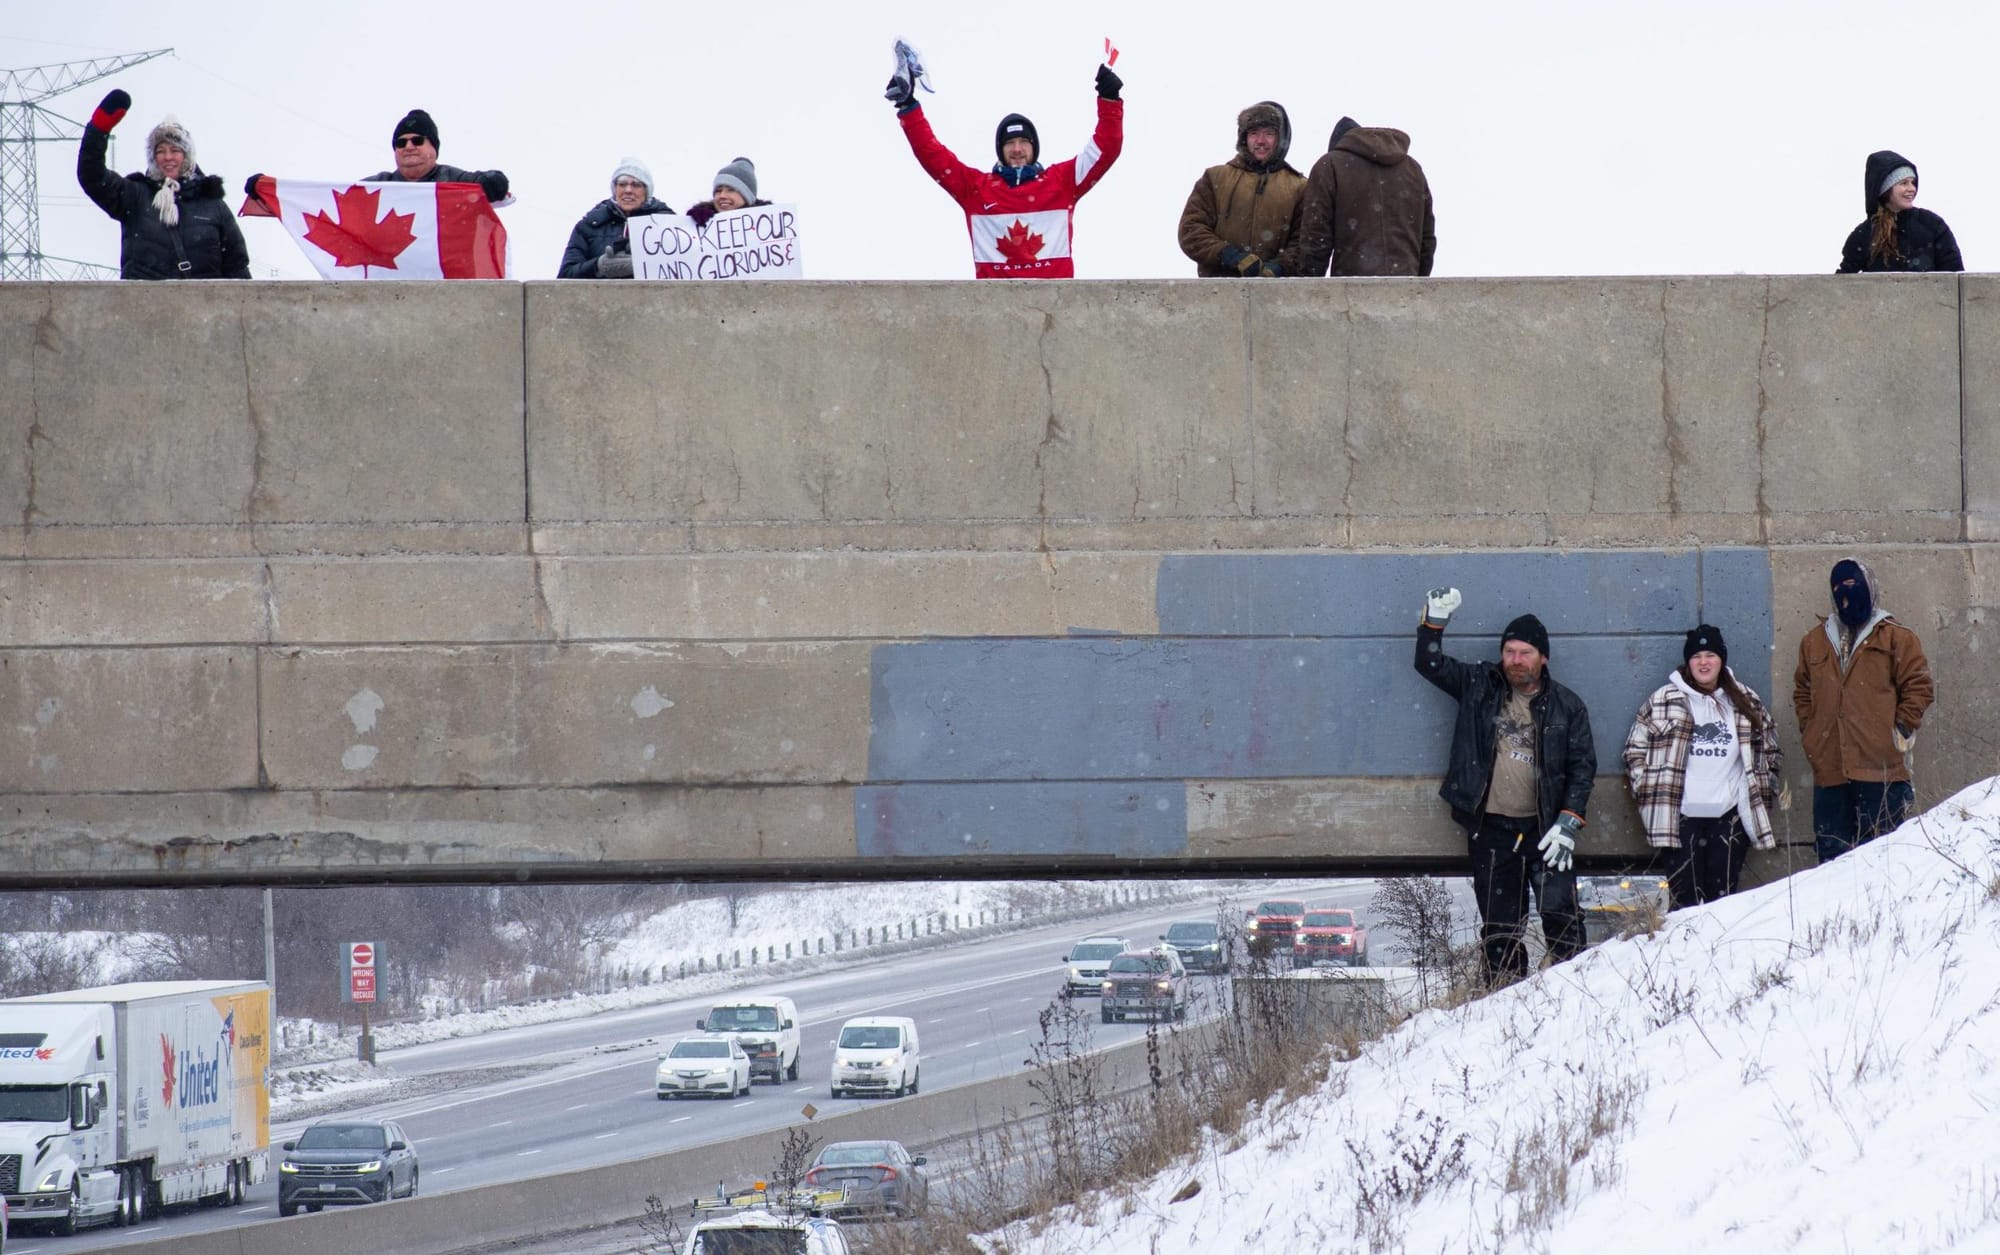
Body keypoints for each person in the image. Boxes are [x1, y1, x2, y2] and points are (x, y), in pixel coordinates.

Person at [1414, 588, 1594, 984]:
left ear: (1542, 658)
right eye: (1509, 651)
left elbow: (1583, 767)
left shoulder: (1567, 706)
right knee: (1500, 930)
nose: (1515, 660)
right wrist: (1433, 624)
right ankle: (1502, 1007)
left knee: (1563, 920)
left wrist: (1569, 821)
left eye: (1524, 652)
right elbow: (1429, 665)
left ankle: (1577, 999)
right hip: (1491, 832)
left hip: (1546, 831)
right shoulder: (1479, 685)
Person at [886, 59, 1123, 278]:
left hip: (1055, 312)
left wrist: (1109, 100)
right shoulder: (975, 189)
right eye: (1009, 143)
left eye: (1024, 142)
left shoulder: (1061, 182)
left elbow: (1105, 149)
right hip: (996, 312)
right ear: (1001, 150)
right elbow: (932, 154)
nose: (1017, 149)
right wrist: (907, 106)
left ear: (1034, 148)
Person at [1623, 626, 1783, 908]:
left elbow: (1770, 749)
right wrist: (1647, 788)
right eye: (1697, 656)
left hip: (1728, 817)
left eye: (1711, 655)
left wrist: (1762, 787)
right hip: (1680, 818)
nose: (1704, 662)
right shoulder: (1663, 700)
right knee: (1684, 902)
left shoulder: (1745, 700)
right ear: (1688, 662)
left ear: (1721, 660)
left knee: (1722, 900)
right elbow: (1634, 751)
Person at [1794, 558, 1934, 862]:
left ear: (1869, 587)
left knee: (1882, 861)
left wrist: (1900, 731)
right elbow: (1802, 690)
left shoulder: (1897, 637)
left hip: (1881, 773)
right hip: (1830, 774)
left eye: (1852, 584)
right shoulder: (1814, 642)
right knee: (1831, 862)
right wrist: (1812, 732)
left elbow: (1919, 687)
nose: (1845, 593)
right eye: (1838, 587)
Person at [75, 90, 250, 281]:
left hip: (203, 306)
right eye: (160, 151)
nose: (168, 157)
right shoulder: (134, 195)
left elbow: (237, 264)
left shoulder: (213, 204)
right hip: (143, 305)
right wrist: (98, 130)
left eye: (175, 150)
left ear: (187, 156)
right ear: (153, 157)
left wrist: (246, 307)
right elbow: (92, 176)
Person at [1279, 118, 1435, 277]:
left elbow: (1316, 238)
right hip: (1406, 289)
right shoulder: (1413, 169)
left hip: (1351, 291)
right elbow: (1427, 239)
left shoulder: (1330, 165)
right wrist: (1417, 282)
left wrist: (1309, 285)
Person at [1177, 101, 1306, 278]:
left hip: (1277, 294)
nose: (1261, 141)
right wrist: (1230, 256)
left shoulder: (1299, 187)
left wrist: (1278, 268)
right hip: (1218, 291)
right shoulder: (1215, 178)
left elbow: (1304, 240)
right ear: (1244, 138)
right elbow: (1191, 230)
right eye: (1254, 133)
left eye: (1269, 133)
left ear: (1280, 138)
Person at [1837, 151, 1962, 274]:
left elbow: (1954, 275)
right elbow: (1842, 284)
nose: (1911, 189)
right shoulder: (1865, 234)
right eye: (1904, 183)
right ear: (1885, 189)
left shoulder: (1932, 225)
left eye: (1913, 182)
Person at [559, 158, 673, 279]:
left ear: (646, 191)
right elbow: (565, 276)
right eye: (622, 184)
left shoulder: (667, 224)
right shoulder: (589, 226)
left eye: (636, 185)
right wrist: (599, 266)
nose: (628, 190)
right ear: (615, 189)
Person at [365, 109, 509, 203]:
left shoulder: (451, 179)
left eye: (417, 141)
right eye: (401, 143)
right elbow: (344, 199)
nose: (408, 147)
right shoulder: (378, 185)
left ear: (433, 147)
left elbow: (490, 181)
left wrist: (492, 182)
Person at [686, 158, 771, 227]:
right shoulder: (697, 222)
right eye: (718, 191)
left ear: (747, 197)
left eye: (731, 190)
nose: (722, 195)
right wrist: (691, 224)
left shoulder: (769, 226)